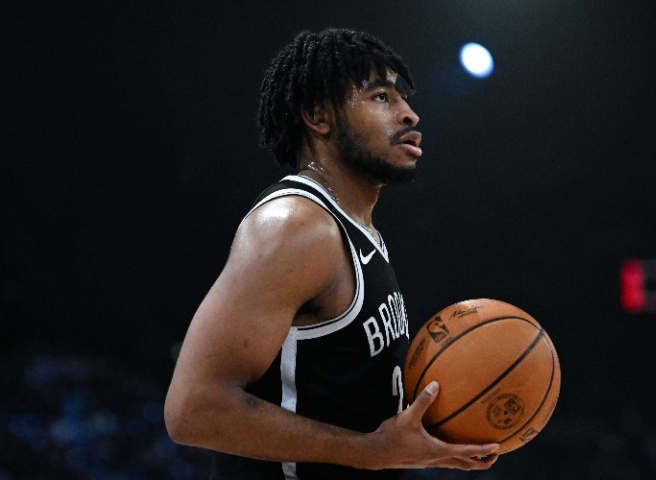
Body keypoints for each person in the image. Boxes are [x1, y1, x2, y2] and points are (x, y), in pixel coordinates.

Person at [164, 27, 499, 479]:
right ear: (319, 117)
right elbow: (193, 409)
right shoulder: (296, 226)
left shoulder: (357, 231)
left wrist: (426, 439)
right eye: (381, 97)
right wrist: (370, 452)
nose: (409, 114)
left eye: (403, 98)